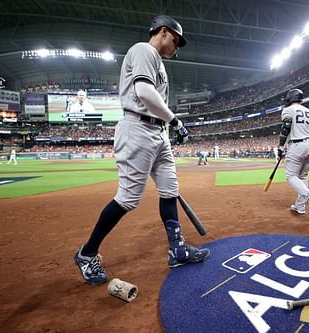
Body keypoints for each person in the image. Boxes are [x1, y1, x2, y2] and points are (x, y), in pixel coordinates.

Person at [74, 15, 210, 285]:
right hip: (137, 128)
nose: (177, 47)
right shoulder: (143, 50)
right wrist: (176, 121)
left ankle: (177, 249)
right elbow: (145, 94)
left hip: (158, 133)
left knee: (169, 190)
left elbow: (155, 100)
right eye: (176, 40)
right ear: (162, 31)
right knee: (128, 198)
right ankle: (86, 253)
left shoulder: (159, 63)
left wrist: (169, 126)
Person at [277, 88, 309, 218]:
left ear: (290, 98)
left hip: (297, 145)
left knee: (291, 176)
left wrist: (281, 146)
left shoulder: (288, 110)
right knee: (302, 176)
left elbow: (286, 127)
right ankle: (300, 206)